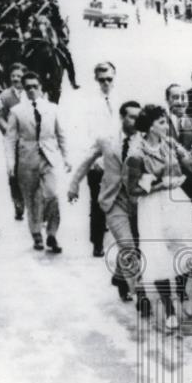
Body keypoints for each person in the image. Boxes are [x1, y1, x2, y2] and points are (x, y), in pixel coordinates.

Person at [127, 105, 192, 330]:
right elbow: (132, 190)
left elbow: (191, 166)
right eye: (161, 122)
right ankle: (169, 309)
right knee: (160, 256)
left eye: (166, 122)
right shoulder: (136, 154)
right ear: (149, 126)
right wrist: (160, 185)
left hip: (176, 201)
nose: (166, 126)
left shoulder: (169, 143)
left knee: (185, 249)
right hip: (152, 207)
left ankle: (181, 295)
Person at [68, 101, 142, 303]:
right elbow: (87, 161)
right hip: (113, 200)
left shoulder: (144, 140)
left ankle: (120, 276)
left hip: (138, 202)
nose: (136, 121)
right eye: (132, 117)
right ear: (122, 117)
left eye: (139, 117)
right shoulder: (106, 139)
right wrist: (73, 185)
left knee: (134, 245)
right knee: (127, 245)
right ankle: (137, 292)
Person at [5, 71, 70, 253]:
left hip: (49, 157)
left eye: (35, 86)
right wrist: (10, 163)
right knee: (32, 198)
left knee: (52, 194)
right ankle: (37, 236)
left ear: (41, 87)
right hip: (27, 159)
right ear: (24, 90)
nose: (32, 90)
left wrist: (66, 157)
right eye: (28, 88)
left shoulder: (52, 108)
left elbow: (61, 134)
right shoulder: (16, 111)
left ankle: (52, 234)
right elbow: (10, 139)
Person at [83, 61, 120, 257]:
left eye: (109, 79)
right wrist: (93, 159)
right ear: (96, 80)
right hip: (98, 160)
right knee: (97, 203)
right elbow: (86, 132)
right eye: (101, 80)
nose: (105, 83)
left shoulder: (120, 100)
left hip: (118, 159)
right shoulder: (89, 103)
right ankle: (97, 243)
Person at [0, 62, 27, 220]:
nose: (16, 79)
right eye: (13, 76)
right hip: (12, 141)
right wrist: (8, 131)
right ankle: (18, 203)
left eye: (19, 76)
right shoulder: (5, 96)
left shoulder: (32, 93)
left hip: (30, 140)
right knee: (13, 172)